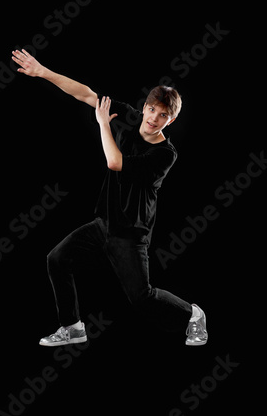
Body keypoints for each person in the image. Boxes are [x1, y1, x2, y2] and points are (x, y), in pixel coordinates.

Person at [11, 49, 208, 347]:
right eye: (152, 109)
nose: (154, 118)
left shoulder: (165, 154)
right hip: (104, 223)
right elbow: (87, 95)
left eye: (163, 114)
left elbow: (115, 162)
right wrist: (43, 72)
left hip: (130, 234)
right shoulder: (129, 116)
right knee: (57, 259)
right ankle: (73, 328)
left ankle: (193, 314)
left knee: (143, 298)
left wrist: (103, 125)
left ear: (172, 119)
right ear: (145, 106)